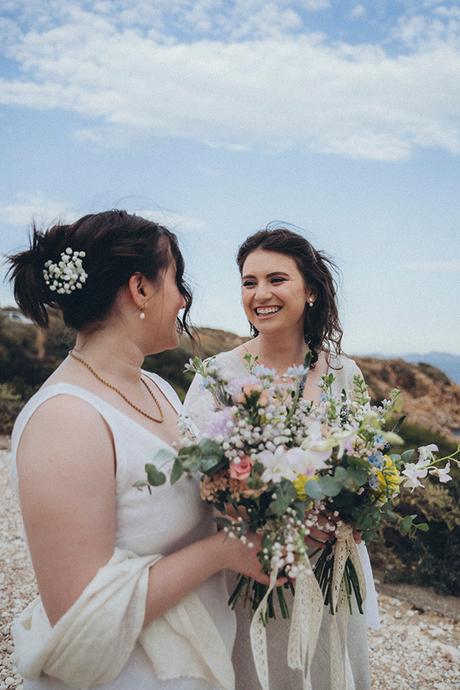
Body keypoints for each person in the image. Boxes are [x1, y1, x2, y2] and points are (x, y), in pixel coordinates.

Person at [7, 210, 271, 690]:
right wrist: (224, 552)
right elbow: (77, 619)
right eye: (178, 280)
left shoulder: (157, 389)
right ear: (140, 289)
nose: (185, 298)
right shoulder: (66, 419)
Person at [184, 227, 380, 690]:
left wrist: (344, 517)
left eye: (276, 279)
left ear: (310, 290)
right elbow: (195, 478)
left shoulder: (342, 373)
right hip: (253, 572)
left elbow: (364, 468)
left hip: (329, 572)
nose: (260, 294)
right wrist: (258, 516)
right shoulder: (219, 374)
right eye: (249, 282)